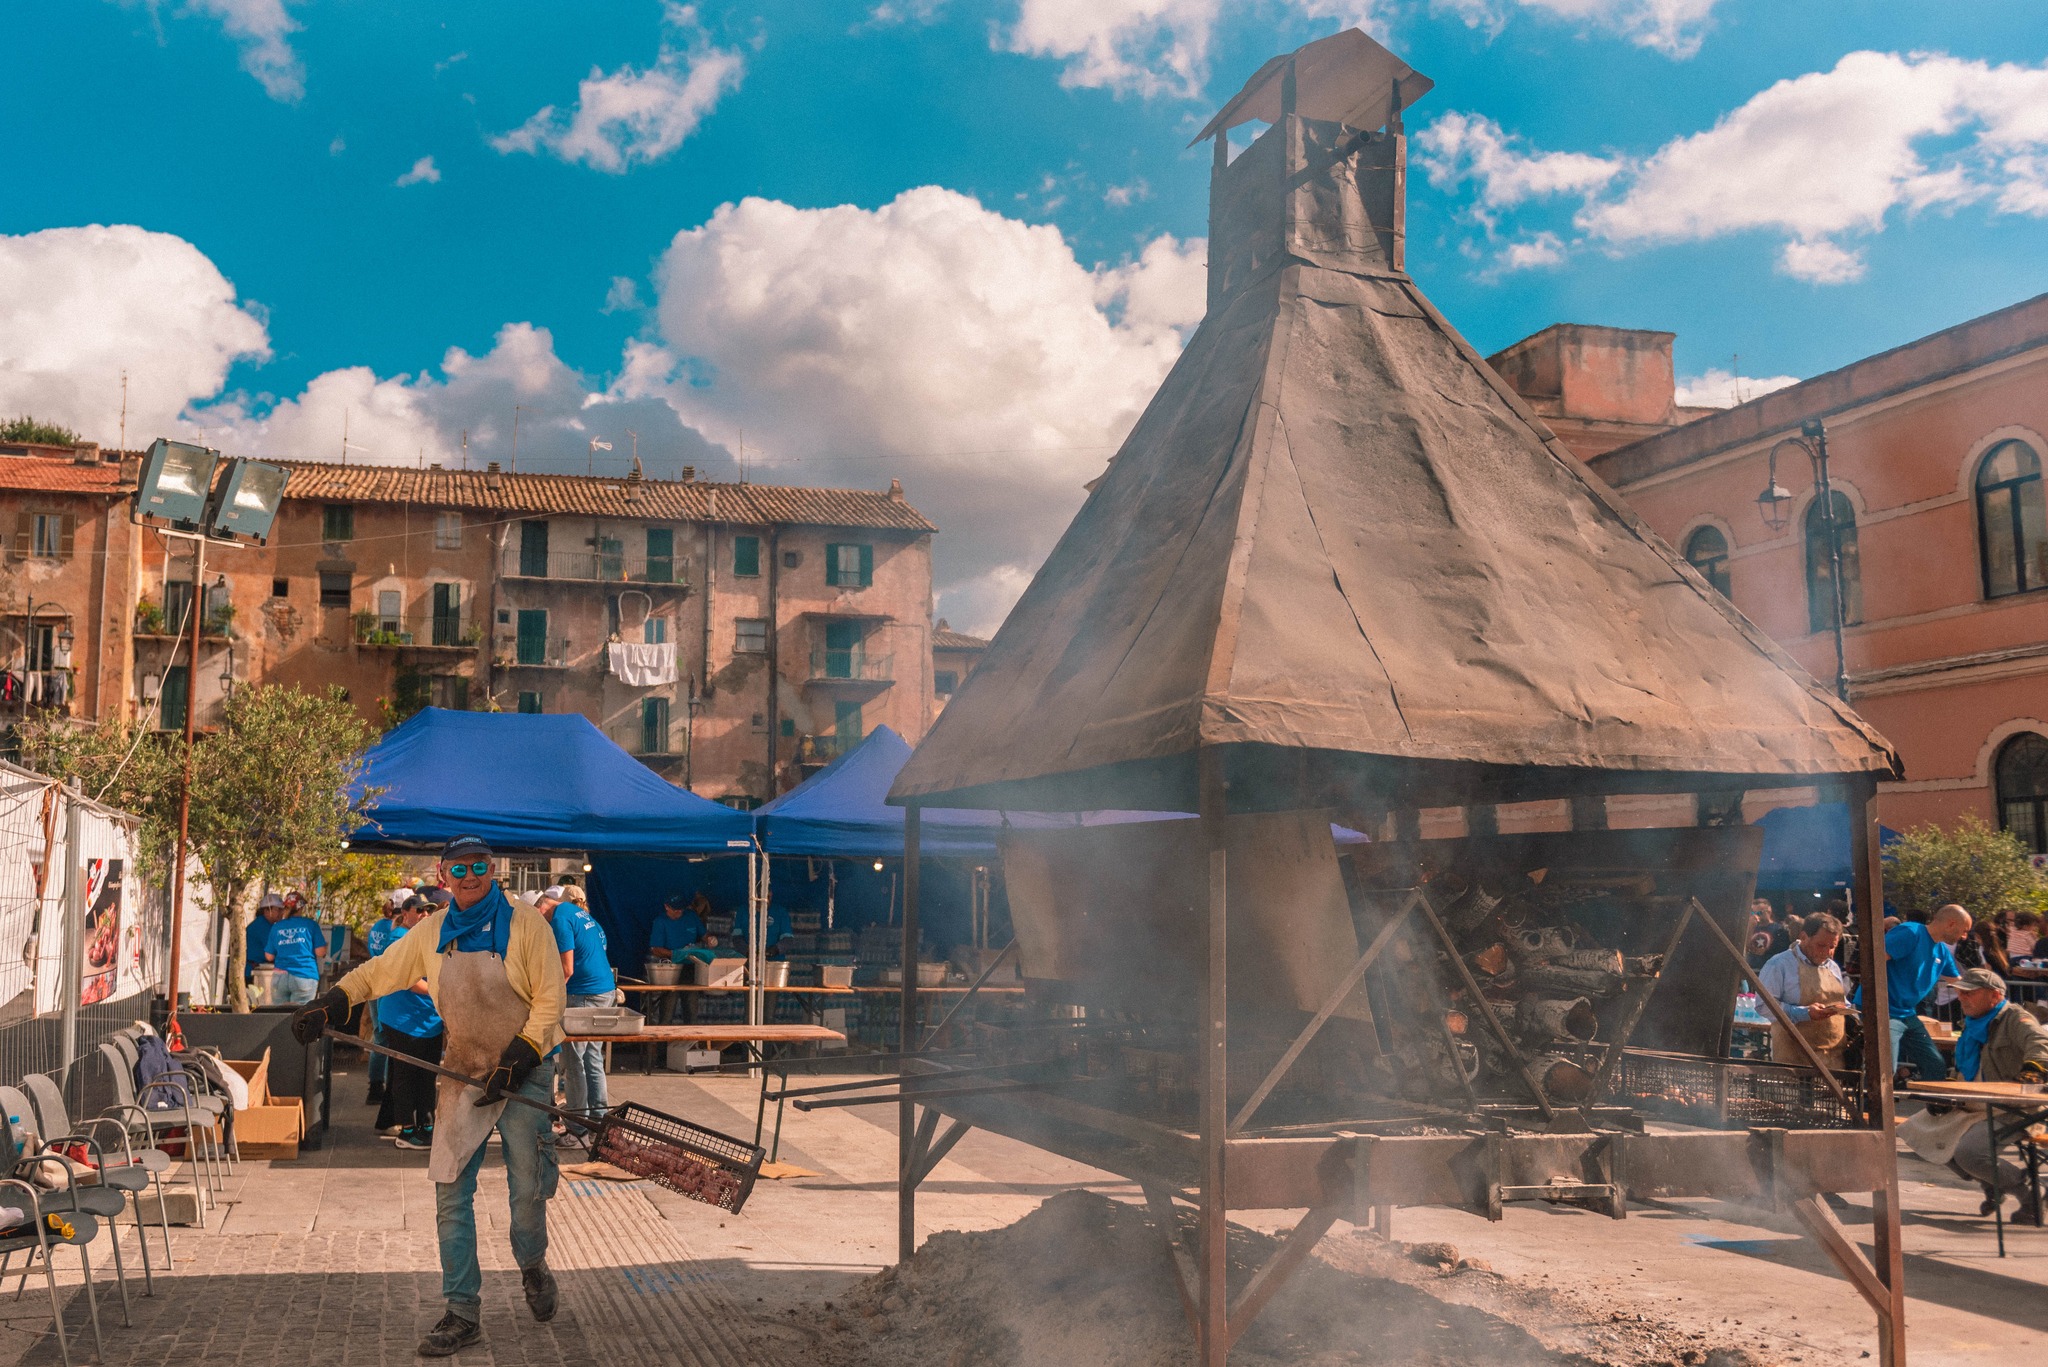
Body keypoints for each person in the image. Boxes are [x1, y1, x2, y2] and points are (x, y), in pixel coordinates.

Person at [288, 835, 566, 1357]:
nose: (471, 877)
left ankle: (532, 1263)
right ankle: (462, 1311)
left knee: (527, 1190)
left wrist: (521, 1056)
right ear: (443, 877)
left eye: (480, 867)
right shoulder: (433, 931)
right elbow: (381, 970)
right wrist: (332, 1002)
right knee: (449, 1194)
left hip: (524, 1069)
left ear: (492, 870)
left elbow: (551, 998)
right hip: (463, 1072)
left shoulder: (528, 926)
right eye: (459, 870)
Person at [1912, 967, 2048, 1225]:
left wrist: (2034, 1070)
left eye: (1969, 993)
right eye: (1960, 993)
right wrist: (1953, 1085)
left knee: (1969, 1153)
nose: (1961, 998)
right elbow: (1969, 1067)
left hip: (2014, 1108)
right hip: (1975, 1103)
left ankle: (2030, 1196)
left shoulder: (2015, 1018)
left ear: (1995, 995)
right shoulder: (1974, 1023)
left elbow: (2040, 1043)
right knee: (1919, 1133)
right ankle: (1993, 1184)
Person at [1857, 904, 1970, 1081]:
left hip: (1906, 1014)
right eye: (1964, 931)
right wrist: (1875, 1006)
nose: (1965, 937)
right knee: (1884, 1069)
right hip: (1882, 1010)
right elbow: (1874, 960)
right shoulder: (1910, 933)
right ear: (1951, 924)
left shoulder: (1942, 951)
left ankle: (1935, 1108)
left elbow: (1960, 985)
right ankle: (1864, 1106)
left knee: (1935, 1065)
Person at [537, 885, 617, 1127]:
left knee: (573, 1063)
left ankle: (576, 1127)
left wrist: (546, 997)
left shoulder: (560, 920)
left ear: (540, 908)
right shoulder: (576, 912)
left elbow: (566, 969)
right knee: (593, 1058)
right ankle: (599, 1121)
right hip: (604, 989)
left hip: (583, 994)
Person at [376, 896, 447, 1152]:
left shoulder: (434, 939)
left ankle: (426, 1125)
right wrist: (441, 990)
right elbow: (409, 979)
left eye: (429, 911)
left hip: (430, 1021)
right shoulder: (399, 939)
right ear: (406, 913)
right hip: (402, 1020)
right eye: (420, 911)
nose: (424, 915)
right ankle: (406, 1129)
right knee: (405, 1076)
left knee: (427, 1076)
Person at [1757, 912, 1854, 1071]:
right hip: (1794, 1058)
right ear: (1804, 936)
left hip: (1833, 1060)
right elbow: (1764, 1006)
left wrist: (1846, 1010)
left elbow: (1843, 1001)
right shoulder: (1779, 964)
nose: (1827, 952)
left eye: (1832, 947)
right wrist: (1805, 1013)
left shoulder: (1833, 967)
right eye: (1821, 945)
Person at [365, 888, 413, 1107]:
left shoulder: (377, 927)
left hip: (374, 983)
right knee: (389, 1039)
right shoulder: (399, 932)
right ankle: (385, 1089)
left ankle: (375, 1087)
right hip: (387, 988)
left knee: (379, 1036)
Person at [264, 895, 328, 1005]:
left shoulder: (276, 927)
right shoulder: (310, 925)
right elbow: (320, 952)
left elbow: (269, 956)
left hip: (280, 978)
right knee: (301, 1016)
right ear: (301, 908)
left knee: (278, 1017)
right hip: (304, 976)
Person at [245, 894, 280, 986]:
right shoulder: (262, 926)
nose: (281, 913)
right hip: (250, 973)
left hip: (254, 970)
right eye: (278, 910)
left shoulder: (266, 925)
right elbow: (275, 951)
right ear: (267, 910)